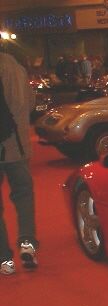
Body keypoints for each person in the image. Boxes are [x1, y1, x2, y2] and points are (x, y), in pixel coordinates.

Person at [0, 51, 38, 275]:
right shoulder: (15, 67)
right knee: (23, 195)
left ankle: (5, 259)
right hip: (17, 146)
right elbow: (29, 103)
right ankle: (27, 243)